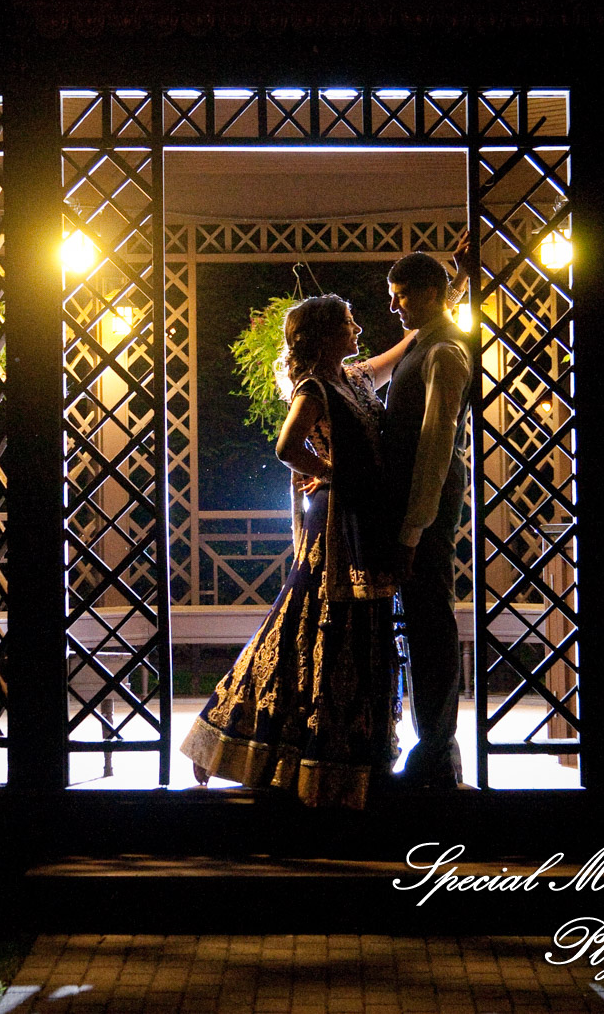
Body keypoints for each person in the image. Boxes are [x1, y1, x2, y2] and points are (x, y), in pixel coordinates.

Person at [180, 295, 415, 808]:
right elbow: (288, 448)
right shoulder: (314, 388)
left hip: (362, 518)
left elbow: (401, 349)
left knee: (347, 627)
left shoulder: (352, 378)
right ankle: (238, 735)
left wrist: (450, 296)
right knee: (305, 621)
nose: (358, 326)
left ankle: (349, 755)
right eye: (348, 322)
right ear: (328, 334)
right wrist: (333, 472)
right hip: (334, 523)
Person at [383, 246, 476, 789]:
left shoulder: (445, 353)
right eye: (393, 298)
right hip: (412, 506)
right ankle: (433, 748)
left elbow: (436, 444)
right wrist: (457, 281)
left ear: (430, 296)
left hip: (428, 508)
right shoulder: (427, 339)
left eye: (402, 297)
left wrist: (414, 529)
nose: (396, 308)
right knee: (421, 624)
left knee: (431, 625)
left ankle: (438, 752)